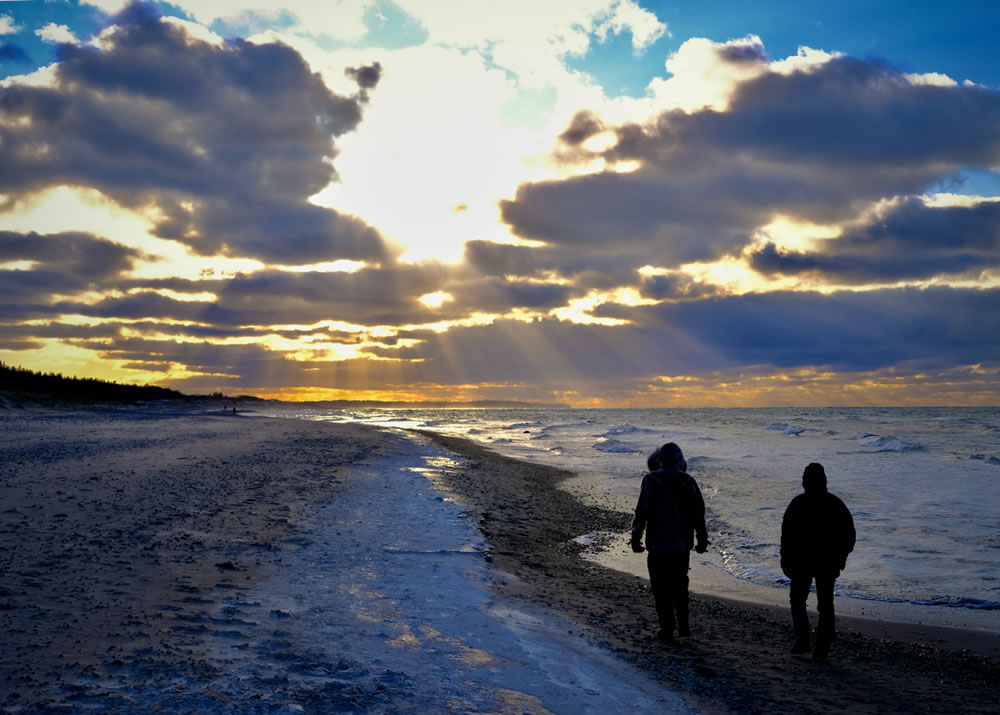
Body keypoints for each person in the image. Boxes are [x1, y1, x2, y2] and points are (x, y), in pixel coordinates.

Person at [630, 442, 709, 645]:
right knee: (680, 586)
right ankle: (684, 627)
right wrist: (702, 539)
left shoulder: (651, 480)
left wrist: (636, 537)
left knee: (661, 589)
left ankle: (667, 629)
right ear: (681, 461)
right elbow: (698, 514)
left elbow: (642, 512)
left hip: (657, 544)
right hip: (681, 545)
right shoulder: (688, 481)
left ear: (660, 460)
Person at [780, 462, 856, 663]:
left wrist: (785, 559)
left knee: (797, 601)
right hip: (827, 563)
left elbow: (786, 535)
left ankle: (803, 642)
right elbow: (850, 536)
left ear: (805, 481)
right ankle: (821, 650)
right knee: (825, 606)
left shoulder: (798, 503)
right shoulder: (835, 503)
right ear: (824, 481)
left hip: (801, 562)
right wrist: (841, 558)